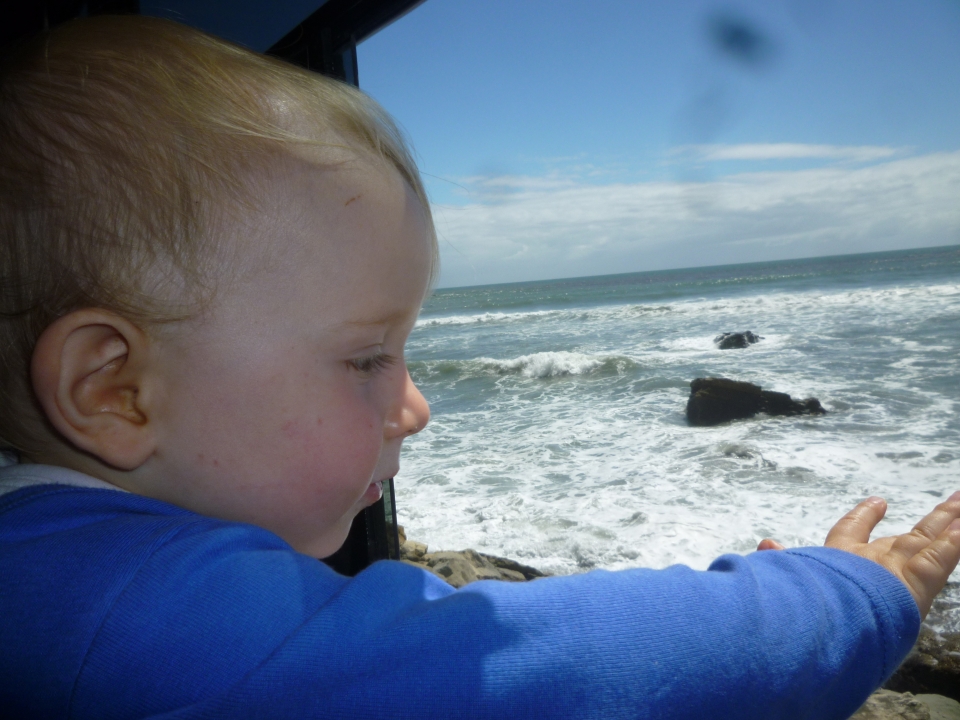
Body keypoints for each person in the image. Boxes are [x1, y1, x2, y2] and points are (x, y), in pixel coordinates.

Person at [0, 14, 957, 720]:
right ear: (113, 389)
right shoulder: (132, 615)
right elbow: (543, 666)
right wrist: (838, 601)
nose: (415, 408)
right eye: (368, 357)